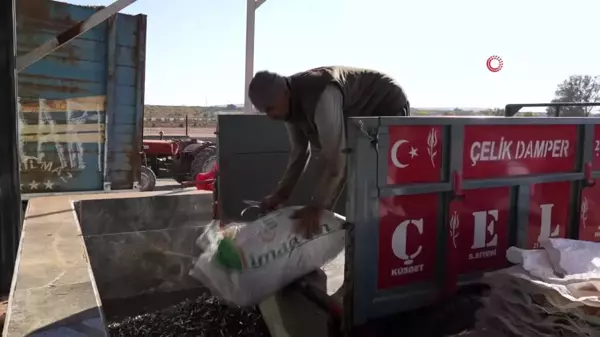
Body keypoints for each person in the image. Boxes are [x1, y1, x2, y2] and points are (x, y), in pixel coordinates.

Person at [248, 66, 410, 238]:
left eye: (271, 108)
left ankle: (378, 240)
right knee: (341, 167)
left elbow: (336, 160)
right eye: (264, 111)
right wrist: (280, 194)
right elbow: (300, 153)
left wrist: (316, 207)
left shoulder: (320, 95)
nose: (270, 116)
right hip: (355, 111)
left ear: (285, 93)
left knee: (371, 180)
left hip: (385, 103)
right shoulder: (287, 106)